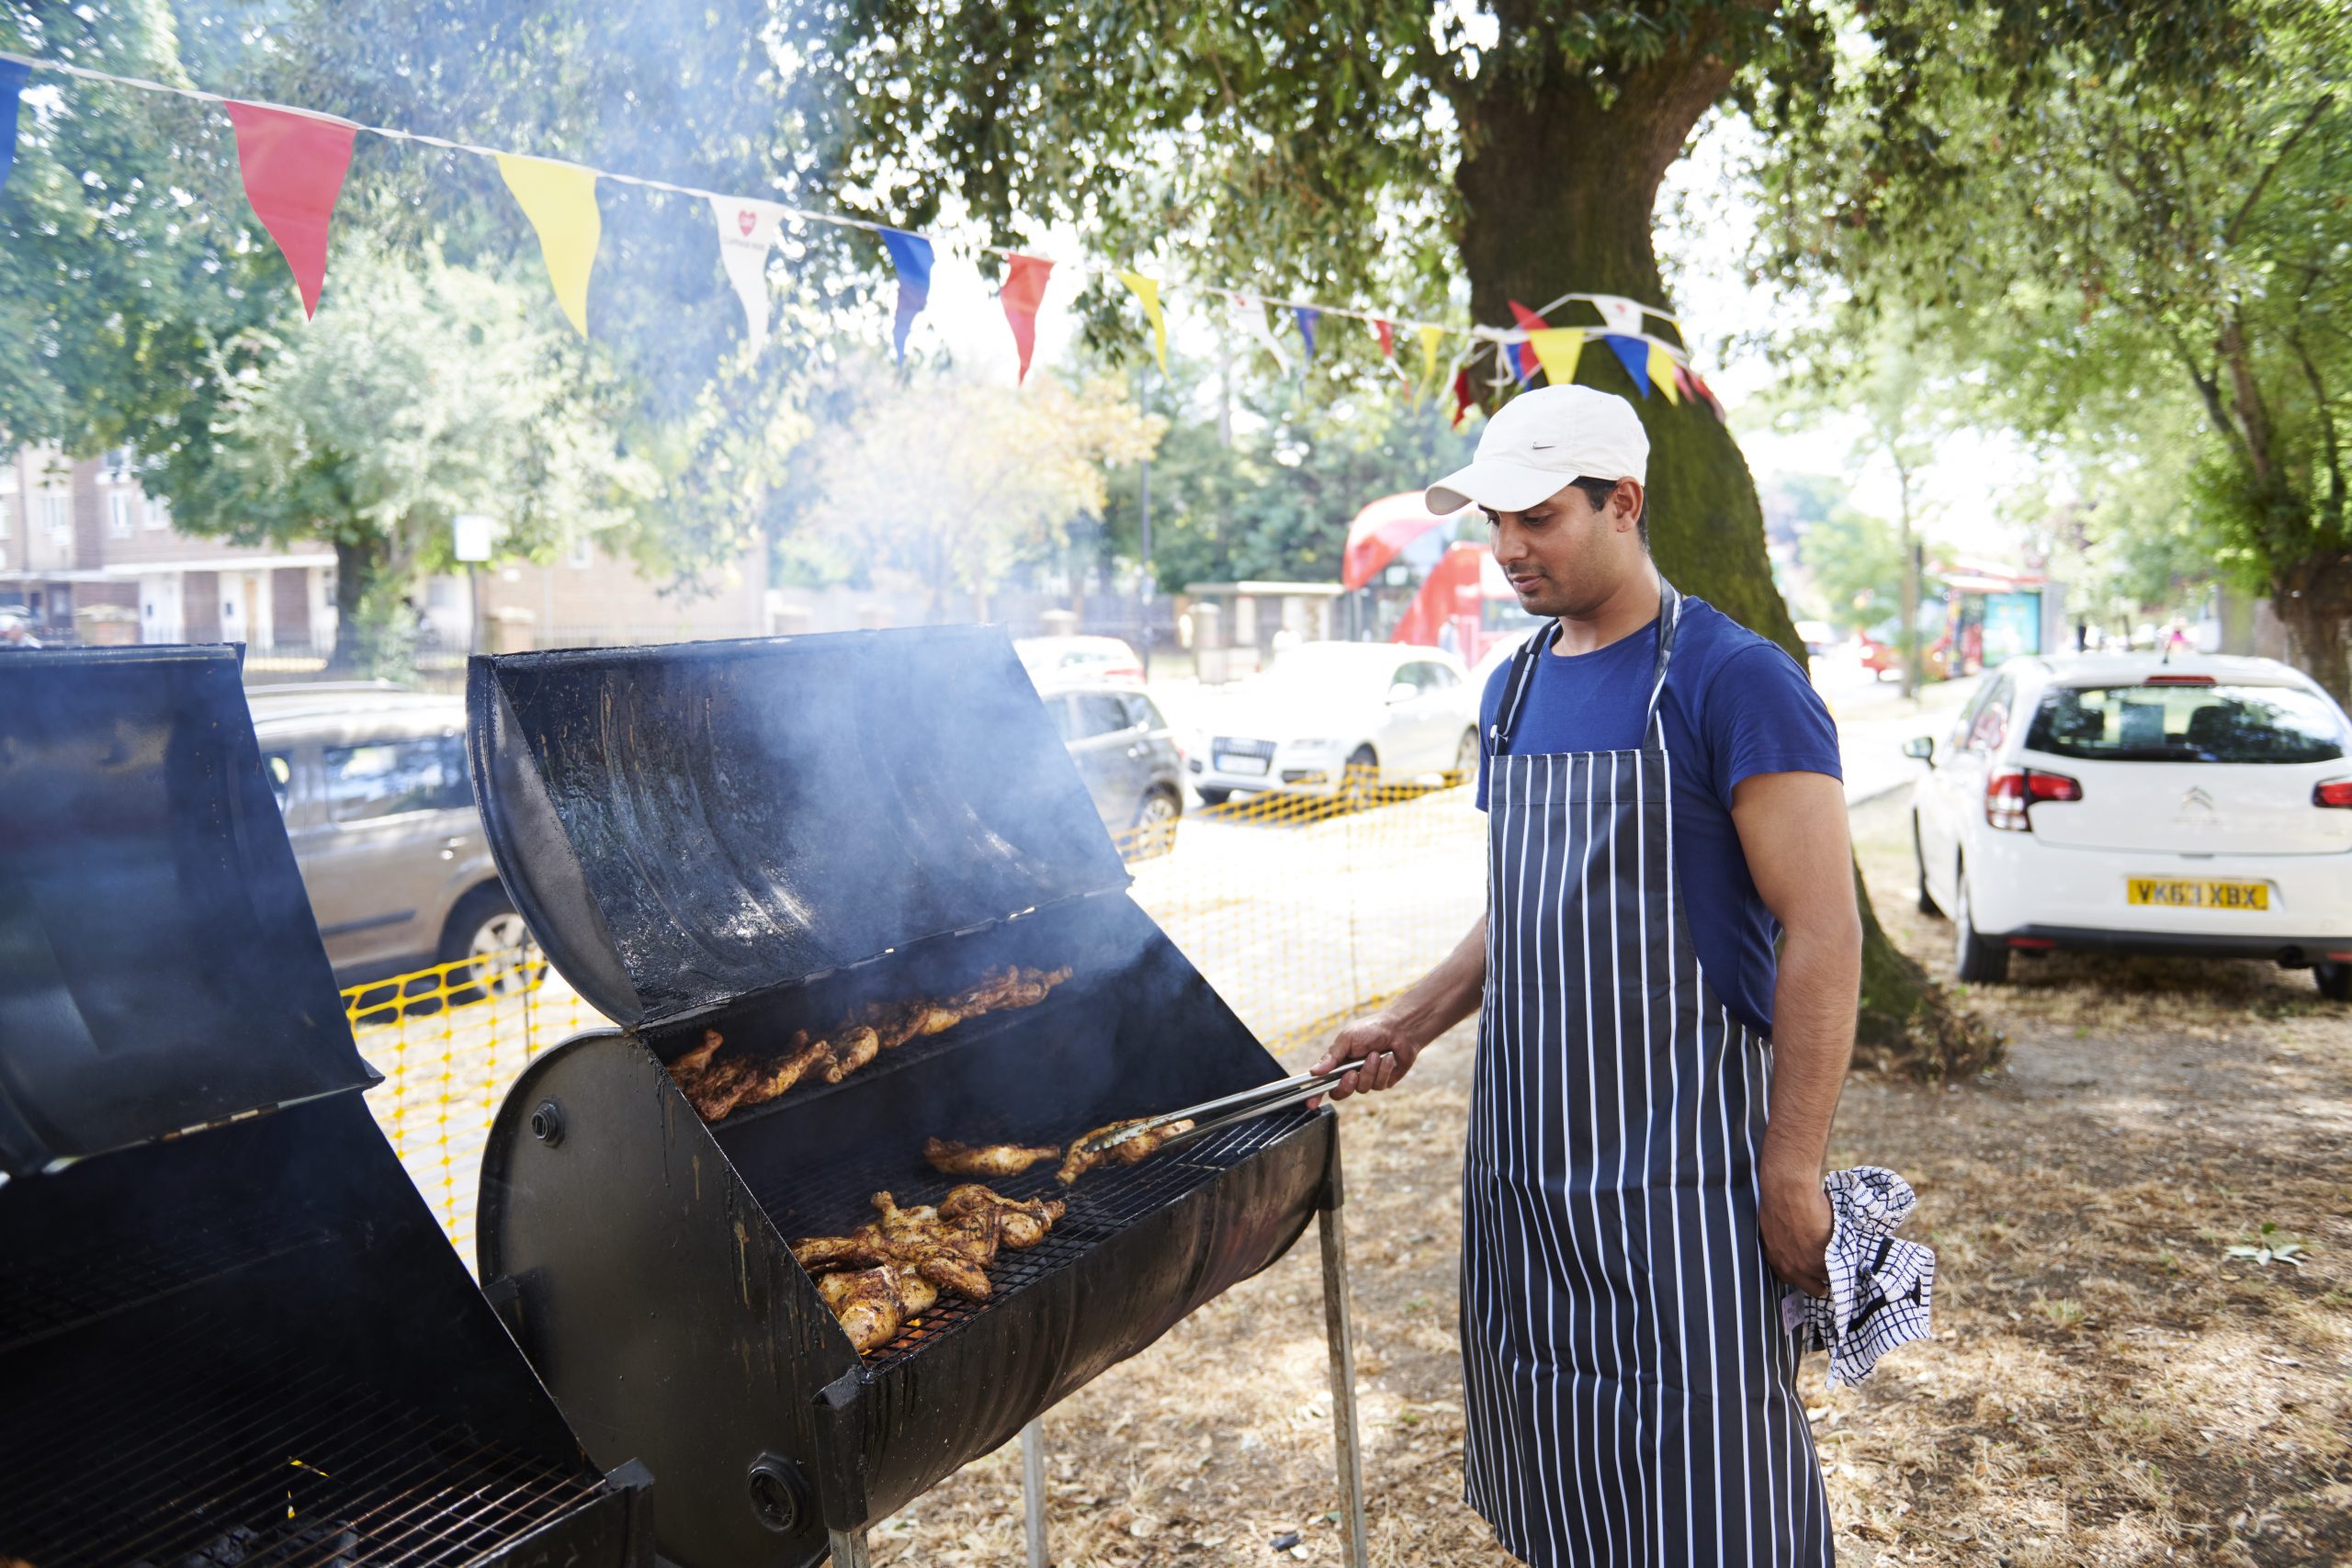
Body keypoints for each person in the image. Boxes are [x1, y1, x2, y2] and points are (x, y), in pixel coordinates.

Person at [1313, 385, 1857, 1565]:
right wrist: (1409, 1019)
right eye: (1492, 523)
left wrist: (1794, 1164)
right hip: (1527, 1182)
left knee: (1716, 1487)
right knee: (1560, 1476)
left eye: (1537, 519)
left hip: (1683, 1188)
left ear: (1625, 504)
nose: (1507, 550)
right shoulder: (1510, 691)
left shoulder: (1732, 679)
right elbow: (1530, 905)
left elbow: (1823, 929)